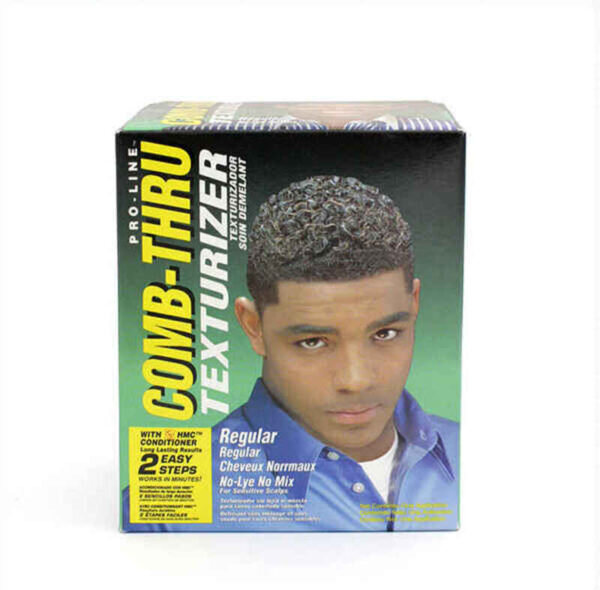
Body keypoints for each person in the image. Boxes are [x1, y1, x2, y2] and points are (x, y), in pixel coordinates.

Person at [123, 175, 458, 532]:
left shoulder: (478, 459)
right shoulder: (167, 510)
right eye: (313, 342)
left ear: (414, 303)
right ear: (253, 326)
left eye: (385, 334)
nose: (356, 381)